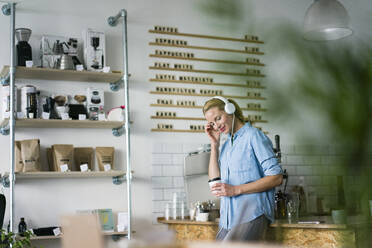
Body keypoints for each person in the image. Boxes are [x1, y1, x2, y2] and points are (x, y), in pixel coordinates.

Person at [203, 96, 283, 241]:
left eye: (218, 118)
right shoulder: (226, 145)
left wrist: (235, 190)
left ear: (230, 110)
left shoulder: (254, 136)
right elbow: (214, 182)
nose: (217, 125)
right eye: (212, 123)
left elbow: (276, 177)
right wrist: (214, 145)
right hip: (227, 220)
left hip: (252, 214)